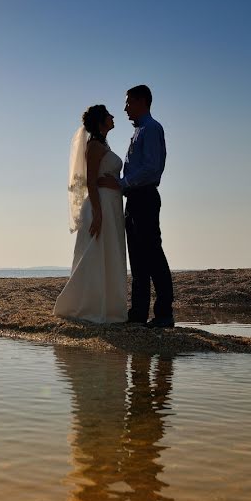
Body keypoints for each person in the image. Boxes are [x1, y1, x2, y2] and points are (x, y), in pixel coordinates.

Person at [99, 85, 174, 327]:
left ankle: (164, 314)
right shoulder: (140, 130)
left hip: (145, 197)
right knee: (138, 258)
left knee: (152, 254)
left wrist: (122, 183)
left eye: (129, 103)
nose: (125, 108)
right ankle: (138, 313)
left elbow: (152, 168)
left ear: (141, 101)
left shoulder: (151, 128)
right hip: (134, 199)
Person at [53, 105, 127, 323]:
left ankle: (110, 307)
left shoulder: (103, 144)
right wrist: (98, 212)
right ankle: (88, 306)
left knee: (109, 253)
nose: (113, 117)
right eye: (109, 115)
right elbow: (90, 182)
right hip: (100, 204)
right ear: (100, 121)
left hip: (111, 203)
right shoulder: (93, 146)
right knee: (95, 253)